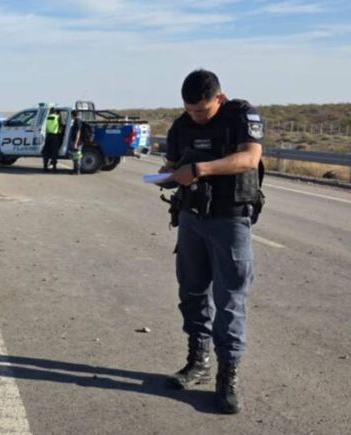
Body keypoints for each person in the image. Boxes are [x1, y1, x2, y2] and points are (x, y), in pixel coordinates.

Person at [159, 69, 265, 414]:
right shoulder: (182, 125)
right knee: (191, 291)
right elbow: (171, 164)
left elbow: (249, 158)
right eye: (190, 110)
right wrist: (169, 175)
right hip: (192, 216)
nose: (196, 116)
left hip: (230, 219)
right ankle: (198, 362)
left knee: (230, 299)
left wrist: (200, 169)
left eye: (202, 110)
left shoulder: (241, 116)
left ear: (219, 97)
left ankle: (227, 375)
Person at [68, 110, 83, 174]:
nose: (71, 116)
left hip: (77, 142)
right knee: (74, 156)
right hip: (75, 141)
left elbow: (78, 133)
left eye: (71, 115)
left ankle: (77, 171)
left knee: (77, 157)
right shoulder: (76, 121)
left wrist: (75, 143)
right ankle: (75, 170)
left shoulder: (77, 121)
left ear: (73, 115)